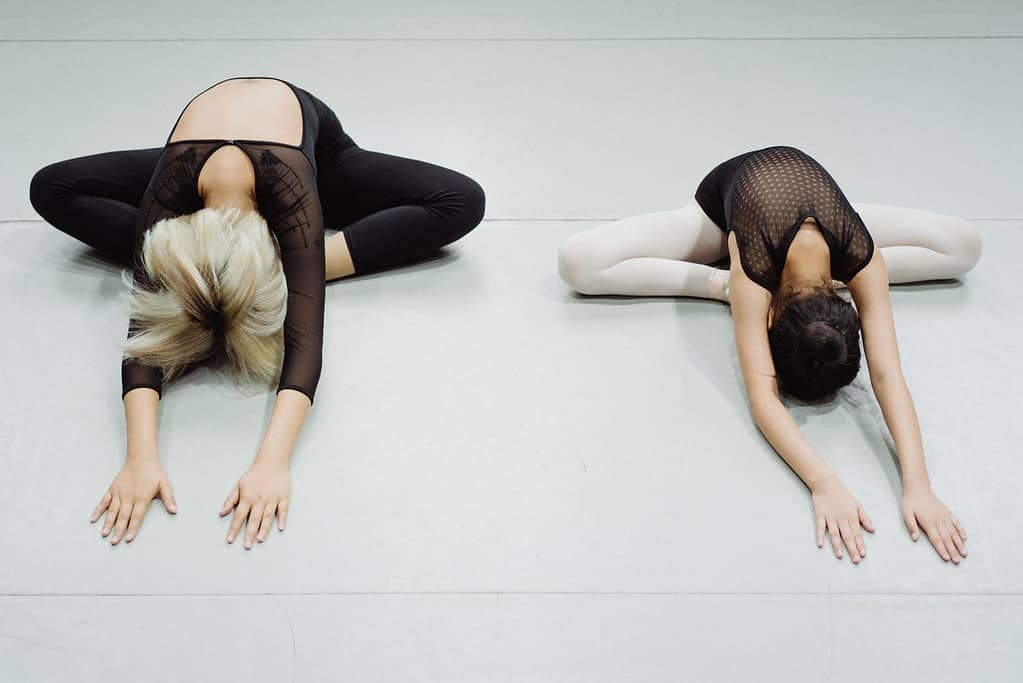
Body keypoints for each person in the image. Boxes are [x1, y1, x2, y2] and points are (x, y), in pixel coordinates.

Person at [29, 76, 485, 549]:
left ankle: (282, 264)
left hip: (312, 159)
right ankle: (215, 265)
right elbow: (142, 339)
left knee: (462, 200)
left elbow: (305, 343)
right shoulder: (167, 194)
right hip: (193, 161)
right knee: (51, 187)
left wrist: (273, 461)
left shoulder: (291, 193)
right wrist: (138, 458)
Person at [558, 145, 980, 565]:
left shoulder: (861, 254)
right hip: (725, 204)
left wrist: (920, 485)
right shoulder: (755, 273)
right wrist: (824, 483)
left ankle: (786, 279)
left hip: (821, 213)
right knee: (578, 262)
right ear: (772, 315)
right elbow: (763, 397)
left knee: (965, 247)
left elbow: (888, 376)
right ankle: (716, 284)